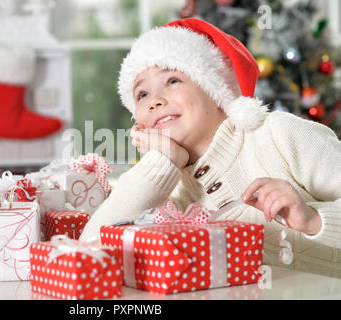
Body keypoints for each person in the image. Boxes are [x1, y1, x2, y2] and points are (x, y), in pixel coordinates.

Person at [79, 18, 341, 278]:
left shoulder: (281, 135)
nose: (155, 101)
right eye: (142, 94)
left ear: (216, 90)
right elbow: (87, 255)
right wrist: (163, 161)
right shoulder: (164, 189)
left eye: (172, 80)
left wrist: (313, 221)